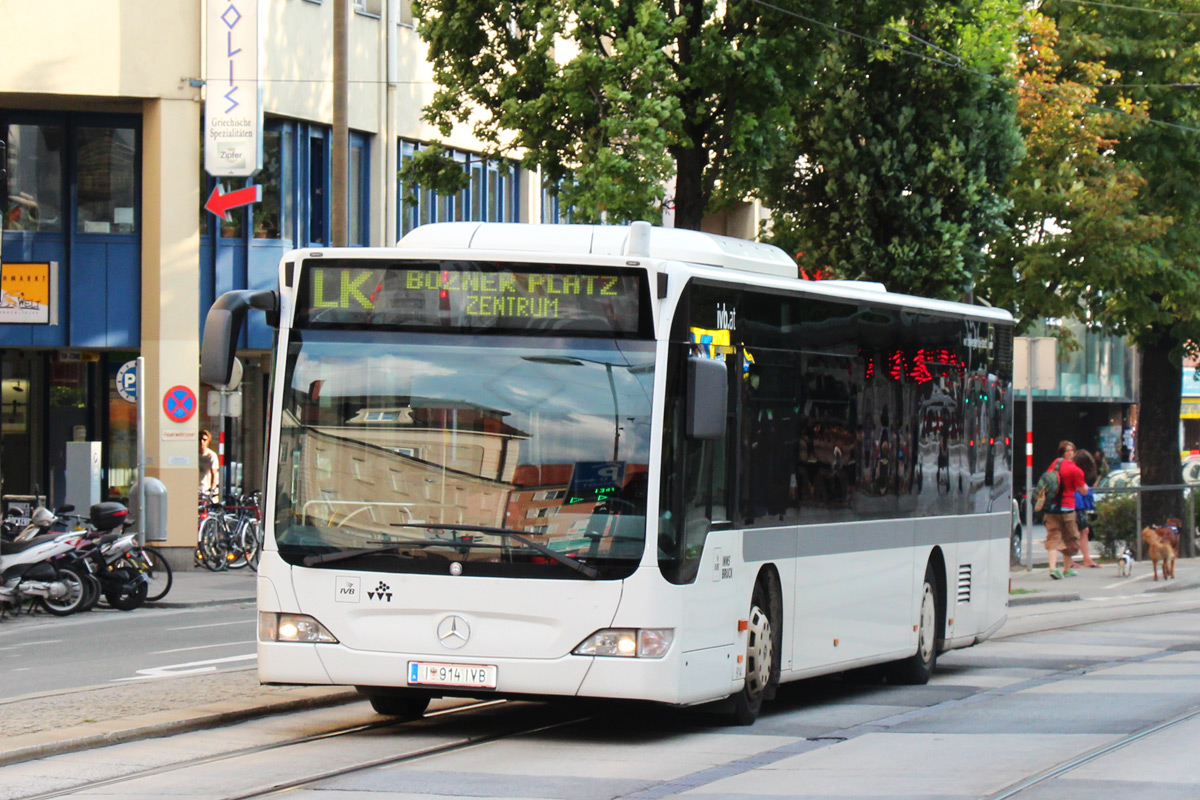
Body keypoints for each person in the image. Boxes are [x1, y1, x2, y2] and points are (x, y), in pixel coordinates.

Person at [1042, 440, 1087, 579]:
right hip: (1067, 507)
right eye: (1069, 451)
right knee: (1070, 538)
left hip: (1051, 507)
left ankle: (1053, 568)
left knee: (1053, 537)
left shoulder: (1054, 464)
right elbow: (1083, 490)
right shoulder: (1075, 470)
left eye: (1072, 450)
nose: (1071, 453)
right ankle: (1067, 569)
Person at [1074, 449, 1100, 568]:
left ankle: (1084, 558)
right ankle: (1085, 558)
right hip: (1077, 504)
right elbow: (1083, 490)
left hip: (1076, 504)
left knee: (1081, 531)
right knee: (1082, 531)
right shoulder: (1077, 472)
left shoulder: (1073, 470)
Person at [199, 429, 219, 495]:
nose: (201, 442)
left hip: (205, 490)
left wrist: (212, 489)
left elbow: (214, 474)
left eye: (204, 440)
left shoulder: (211, 455)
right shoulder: (192, 454)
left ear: (208, 441)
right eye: (200, 439)